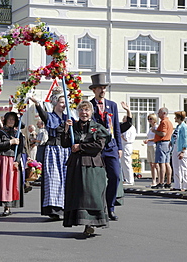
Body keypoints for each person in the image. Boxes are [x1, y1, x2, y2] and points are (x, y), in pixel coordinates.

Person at [61, 101, 110, 236]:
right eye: (81, 110)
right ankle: (81, 221)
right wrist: (66, 129)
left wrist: (81, 147)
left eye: (87, 110)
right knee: (78, 194)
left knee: (92, 194)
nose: (84, 113)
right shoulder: (73, 126)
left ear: (91, 112)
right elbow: (65, 144)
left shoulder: (98, 127)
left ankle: (92, 222)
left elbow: (99, 145)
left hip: (92, 165)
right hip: (76, 165)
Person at [30, 89, 71, 220]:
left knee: (65, 179)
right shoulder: (50, 117)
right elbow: (43, 115)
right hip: (53, 150)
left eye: (65, 102)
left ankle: (65, 206)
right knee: (53, 179)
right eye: (61, 102)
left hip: (65, 150)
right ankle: (53, 208)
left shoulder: (68, 117)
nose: (63, 105)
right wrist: (37, 103)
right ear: (55, 103)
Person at [89, 73, 122, 221]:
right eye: (100, 88)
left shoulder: (112, 105)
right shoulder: (89, 106)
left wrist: (119, 147)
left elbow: (116, 127)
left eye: (104, 88)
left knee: (115, 176)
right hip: (96, 147)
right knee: (96, 179)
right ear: (94, 90)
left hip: (111, 146)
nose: (102, 90)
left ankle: (111, 207)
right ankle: (98, 207)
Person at [0, 112, 24, 216]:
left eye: (13, 119)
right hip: (1, 159)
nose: (11, 121)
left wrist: (17, 161)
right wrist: (10, 142)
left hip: (12, 160)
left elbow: (20, 150)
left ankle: (7, 207)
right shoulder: (0, 132)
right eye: (9, 119)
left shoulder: (18, 133)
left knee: (10, 184)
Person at [151, 107, 173, 189]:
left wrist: (155, 131)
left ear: (164, 113)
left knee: (161, 163)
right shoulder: (169, 122)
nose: (158, 114)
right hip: (167, 143)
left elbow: (163, 133)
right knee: (167, 163)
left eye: (159, 112)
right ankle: (168, 182)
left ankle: (161, 182)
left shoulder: (164, 122)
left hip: (162, 143)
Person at [170, 111, 187, 191]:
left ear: (179, 118)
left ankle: (185, 186)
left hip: (182, 149)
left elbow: (186, 140)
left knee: (183, 167)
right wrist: (171, 142)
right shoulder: (178, 127)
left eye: (175, 117)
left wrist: (183, 151)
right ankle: (177, 185)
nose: (174, 118)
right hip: (175, 148)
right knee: (176, 167)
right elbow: (174, 137)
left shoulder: (184, 127)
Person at [120, 102, 136, 185]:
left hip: (127, 145)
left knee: (127, 162)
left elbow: (126, 138)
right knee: (124, 162)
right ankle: (126, 178)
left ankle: (130, 180)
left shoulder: (130, 128)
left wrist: (121, 136)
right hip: (124, 145)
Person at [143, 113, 159, 186]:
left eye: (151, 119)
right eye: (148, 119)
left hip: (153, 145)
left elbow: (157, 138)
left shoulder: (156, 128)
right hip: (149, 146)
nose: (149, 120)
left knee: (155, 164)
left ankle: (159, 180)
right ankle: (153, 180)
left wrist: (148, 140)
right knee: (151, 164)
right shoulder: (150, 128)